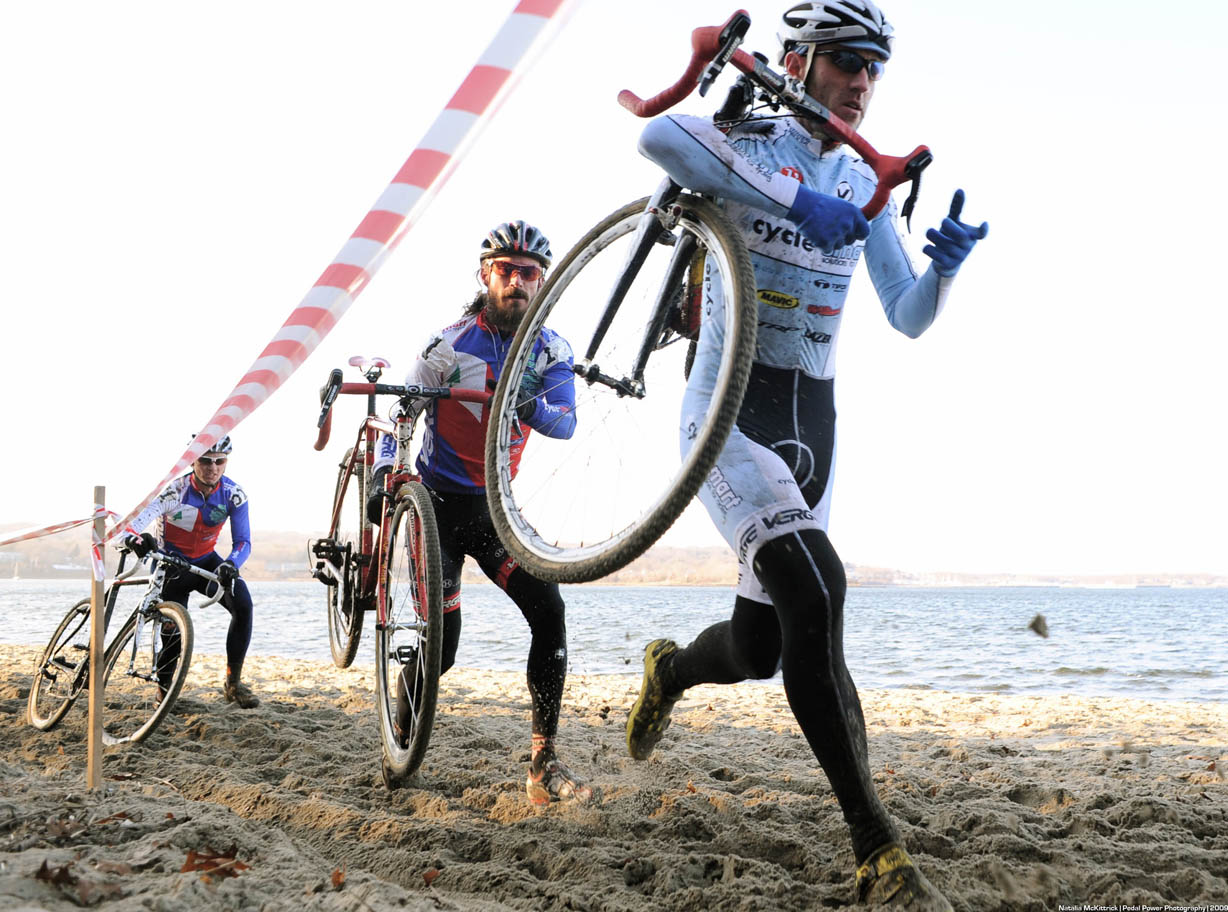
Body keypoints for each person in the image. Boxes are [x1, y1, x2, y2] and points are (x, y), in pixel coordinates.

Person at [625, 2, 987, 908]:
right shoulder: (755, 140)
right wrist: (793, 200)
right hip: (728, 412)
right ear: (800, 58)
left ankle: (670, 669)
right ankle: (876, 845)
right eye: (848, 63)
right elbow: (660, 136)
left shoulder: (865, 183)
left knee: (761, 646)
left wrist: (943, 270)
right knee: (821, 590)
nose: (862, 84)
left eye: (875, 70)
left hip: (814, 428)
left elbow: (906, 315)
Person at [368, 220, 590, 806]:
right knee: (446, 646)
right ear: (485, 276)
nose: (517, 282)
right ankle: (403, 724)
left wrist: (523, 397)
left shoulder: (551, 350)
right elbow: (401, 420)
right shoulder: (445, 346)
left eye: (529, 274)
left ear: (543, 282)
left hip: (495, 514)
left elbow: (565, 422)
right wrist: (382, 475)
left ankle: (543, 762)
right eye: (505, 271)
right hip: (437, 507)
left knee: (549, 609)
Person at [121, 435, 259, 708]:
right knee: (172, 633)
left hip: (206, 563)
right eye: (206, 461)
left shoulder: (234, 495)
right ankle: (164, 693)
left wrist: (231, 563)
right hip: (170, 566)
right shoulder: (174, 491)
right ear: (193, 461)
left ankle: (233, 684)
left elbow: (243, 542)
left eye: (220, 462)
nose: (213, 468)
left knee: (243, 605)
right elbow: (133, 526)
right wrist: (137, 540)